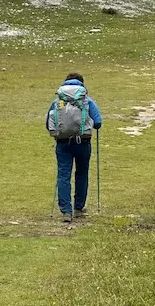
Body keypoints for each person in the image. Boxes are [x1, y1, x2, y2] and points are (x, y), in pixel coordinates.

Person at [46, 73, 102, 222]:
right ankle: (78, 208)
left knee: (63, 175)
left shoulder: (57, 101)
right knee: (82, 174)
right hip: (83, 142)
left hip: (63, 143)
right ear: (81, 85)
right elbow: (98, 123)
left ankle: (65, 211)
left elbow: (48, 124)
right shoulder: (87, 100)